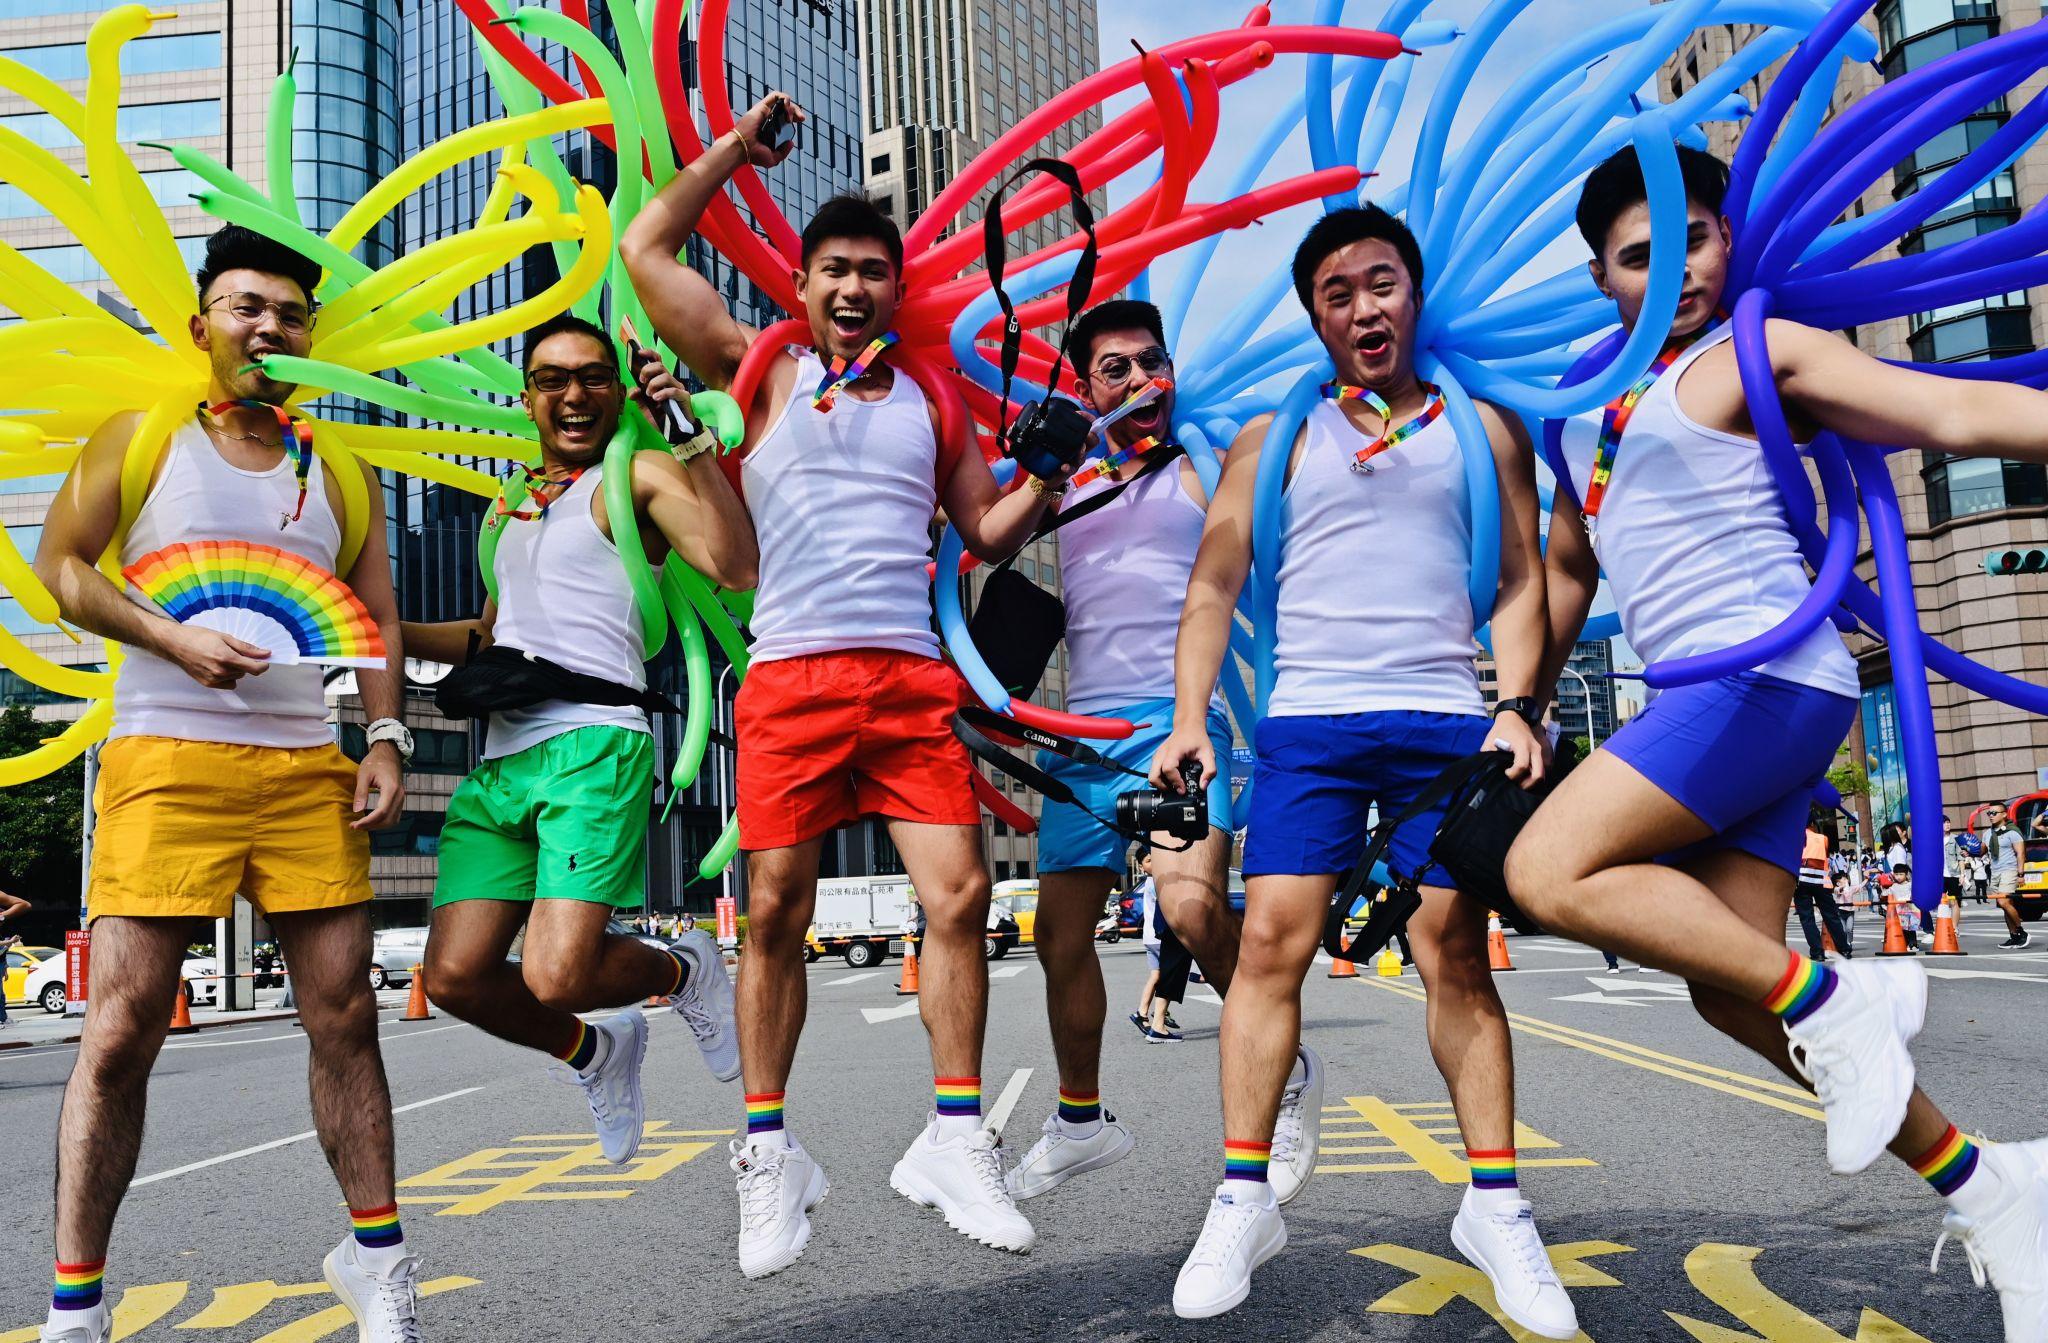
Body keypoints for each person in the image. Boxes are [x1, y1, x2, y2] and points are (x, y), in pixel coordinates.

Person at [1507, 143, 2048, 1341]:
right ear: (1598, 277)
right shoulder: (1578, 410)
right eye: (1639, 257)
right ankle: (1990, 1185)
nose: (1673, 274)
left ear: (1727, 240)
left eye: (1693, 241)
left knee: (1544, 868)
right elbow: (1563, 568)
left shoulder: (1754, 353)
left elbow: (1952, 410)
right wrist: (1522, 699)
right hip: (1708, 697)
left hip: (1763, 675)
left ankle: (1848, 990)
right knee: (1726, 991)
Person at [623, 91, 1071, 1272]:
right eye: (834, 269)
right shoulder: (759, 367)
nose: (854, 287)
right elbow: (645, 250)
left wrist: (1048, 476)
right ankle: (769, 1153)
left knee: (960, 896)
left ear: (895, 286)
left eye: (873, 270)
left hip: (909, 680)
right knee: (774, 909)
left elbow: (987, 532)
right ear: (804, 283)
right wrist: (734, 149)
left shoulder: (931, 398)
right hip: (789, 677)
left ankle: (956, 1134)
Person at [1152, 205, 1569, 1331]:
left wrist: (1517, 706)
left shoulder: (1482, 429)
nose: (1362, 307)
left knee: (1454, 955)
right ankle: (1243, 1196)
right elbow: (1212, 582)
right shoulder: (1272, 437)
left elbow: (1519, 578)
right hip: (1311, 723)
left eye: (1380, 283)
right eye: (1336, 294)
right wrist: (1190, 718)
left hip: (1444, 724)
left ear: (1414, 294)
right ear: (1315, 316)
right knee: (1268, 948)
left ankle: (1497, 1206)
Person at [32, 225, 418, 1343]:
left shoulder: (341, 469)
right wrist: (170, 634)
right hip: (165, 755)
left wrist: (386, 736)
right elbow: (60, 567)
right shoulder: (143, 435)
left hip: (305, 768)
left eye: (290, 314)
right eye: (247, 307)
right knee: (120, 1030)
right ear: (202, 324)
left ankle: (380, 1266)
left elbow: (376, 617)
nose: (268, 328)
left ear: (311, 336)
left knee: (346, 1013)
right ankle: (76, 1304)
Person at [407, 313, 755, 1168]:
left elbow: (735, 565)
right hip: (502, 760)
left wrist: (691, 441)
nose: (574, 394)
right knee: (453, 977)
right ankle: (596, 1050)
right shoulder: (509, 504)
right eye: (553, 379)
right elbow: (494, 638)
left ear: (618, 390)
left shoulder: (637, 475)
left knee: (558, 974)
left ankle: (683, 969)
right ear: (527, 398)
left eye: (594, 376)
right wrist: (384, 629)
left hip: (593, 743)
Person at [992, 300, 1314, 1201]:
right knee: (1058, 936)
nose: (1142, 380)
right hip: (1081, 736)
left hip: (1180, 723)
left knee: (1192, 905)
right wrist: (1043, 471)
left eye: (1152, 362)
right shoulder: (1067, 482)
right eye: (1117, 369)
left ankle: (1287, 1076)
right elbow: (979, 536)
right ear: (1085, 387)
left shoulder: (1202, 468)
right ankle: (1080, 1122)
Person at [1794, 822, 1852, 960]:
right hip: (1821, 882)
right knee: (1831, 916)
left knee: (1807, 918)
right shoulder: (1822, 838)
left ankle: (1817, 952)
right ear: (1813, 824)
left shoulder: (1795, 837)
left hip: (1801, 882)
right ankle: (1844, 950)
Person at [1985, 803, 2031, 949]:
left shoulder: (2012, 832)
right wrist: (1968, 850)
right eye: (1989, 813)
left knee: (2003, 901)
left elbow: (2021, 854)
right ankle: (2014, 936)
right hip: (1995, 872)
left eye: (1994, 813)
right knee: (2004, 905)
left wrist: (2021, 874)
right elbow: (1981, 851)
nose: (1991, 816)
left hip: (2009, 870)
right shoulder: (1988, 833)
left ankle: (2022, 932)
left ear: (2004, 814)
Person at [0, 890, 24, 1029]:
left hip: (1, 964)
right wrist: (10, 942)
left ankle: (3, 1018)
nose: (2, 923)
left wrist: (6, 968)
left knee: (1, 995)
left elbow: (2, 951)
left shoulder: (2, 932)